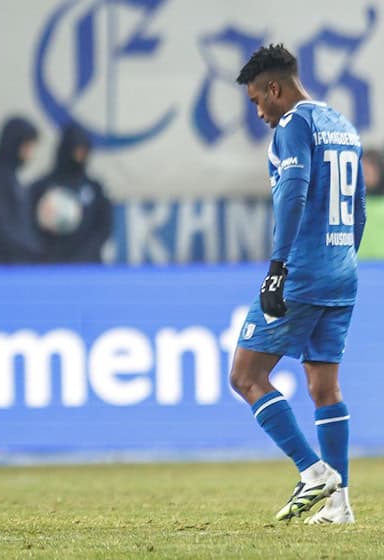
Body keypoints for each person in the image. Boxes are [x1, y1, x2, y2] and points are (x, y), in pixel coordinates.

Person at [229, 43, 365, 524]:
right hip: (343, 272)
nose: (259, 112)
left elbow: (293, 190)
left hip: (302, 271)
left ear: (274, 87)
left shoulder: (293, 125)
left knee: (245, 376)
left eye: (256, 101)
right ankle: (340, 506)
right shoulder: (343, 125)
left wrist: (277, 266)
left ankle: (313, 472)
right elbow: (360, 209)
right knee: (324, 387)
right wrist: (342, 261)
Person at [29, 123, 113, 263]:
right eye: (77, 151)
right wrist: (46, 252)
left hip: (86, 264)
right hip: (49, 264)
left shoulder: (95, 188)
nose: (80, 157)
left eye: (84, 152)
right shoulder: (41, 187)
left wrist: (85, 254)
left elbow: (103, 227)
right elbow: (28, 226)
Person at [0, 116, 43, 265]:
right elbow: (0, 228)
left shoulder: (12, 178)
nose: (30, 153)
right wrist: (33, 250)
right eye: (26, 146)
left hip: (15, 264)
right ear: (14, 144)